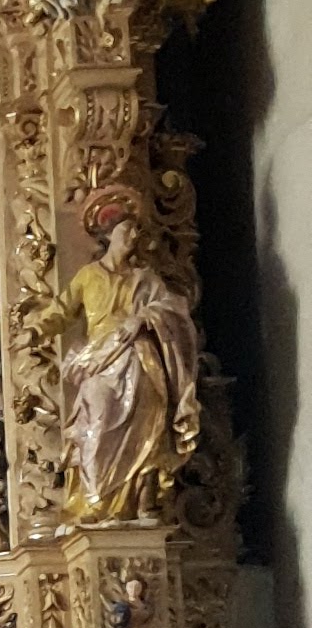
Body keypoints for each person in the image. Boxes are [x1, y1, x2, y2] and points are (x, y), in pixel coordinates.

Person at [48, 187, 199, 522]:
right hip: (100, 361)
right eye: (127, 230)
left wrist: (144, 318)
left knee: (149, 419)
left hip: (141, 359)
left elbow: (173, 309)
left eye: (136, 231)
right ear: (109, 235)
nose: (133, 236)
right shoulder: (89, 276)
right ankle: (97, 501)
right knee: (98, 416)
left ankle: (143, 501)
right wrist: (33, 329)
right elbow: (60, 310)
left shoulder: (144, 278)